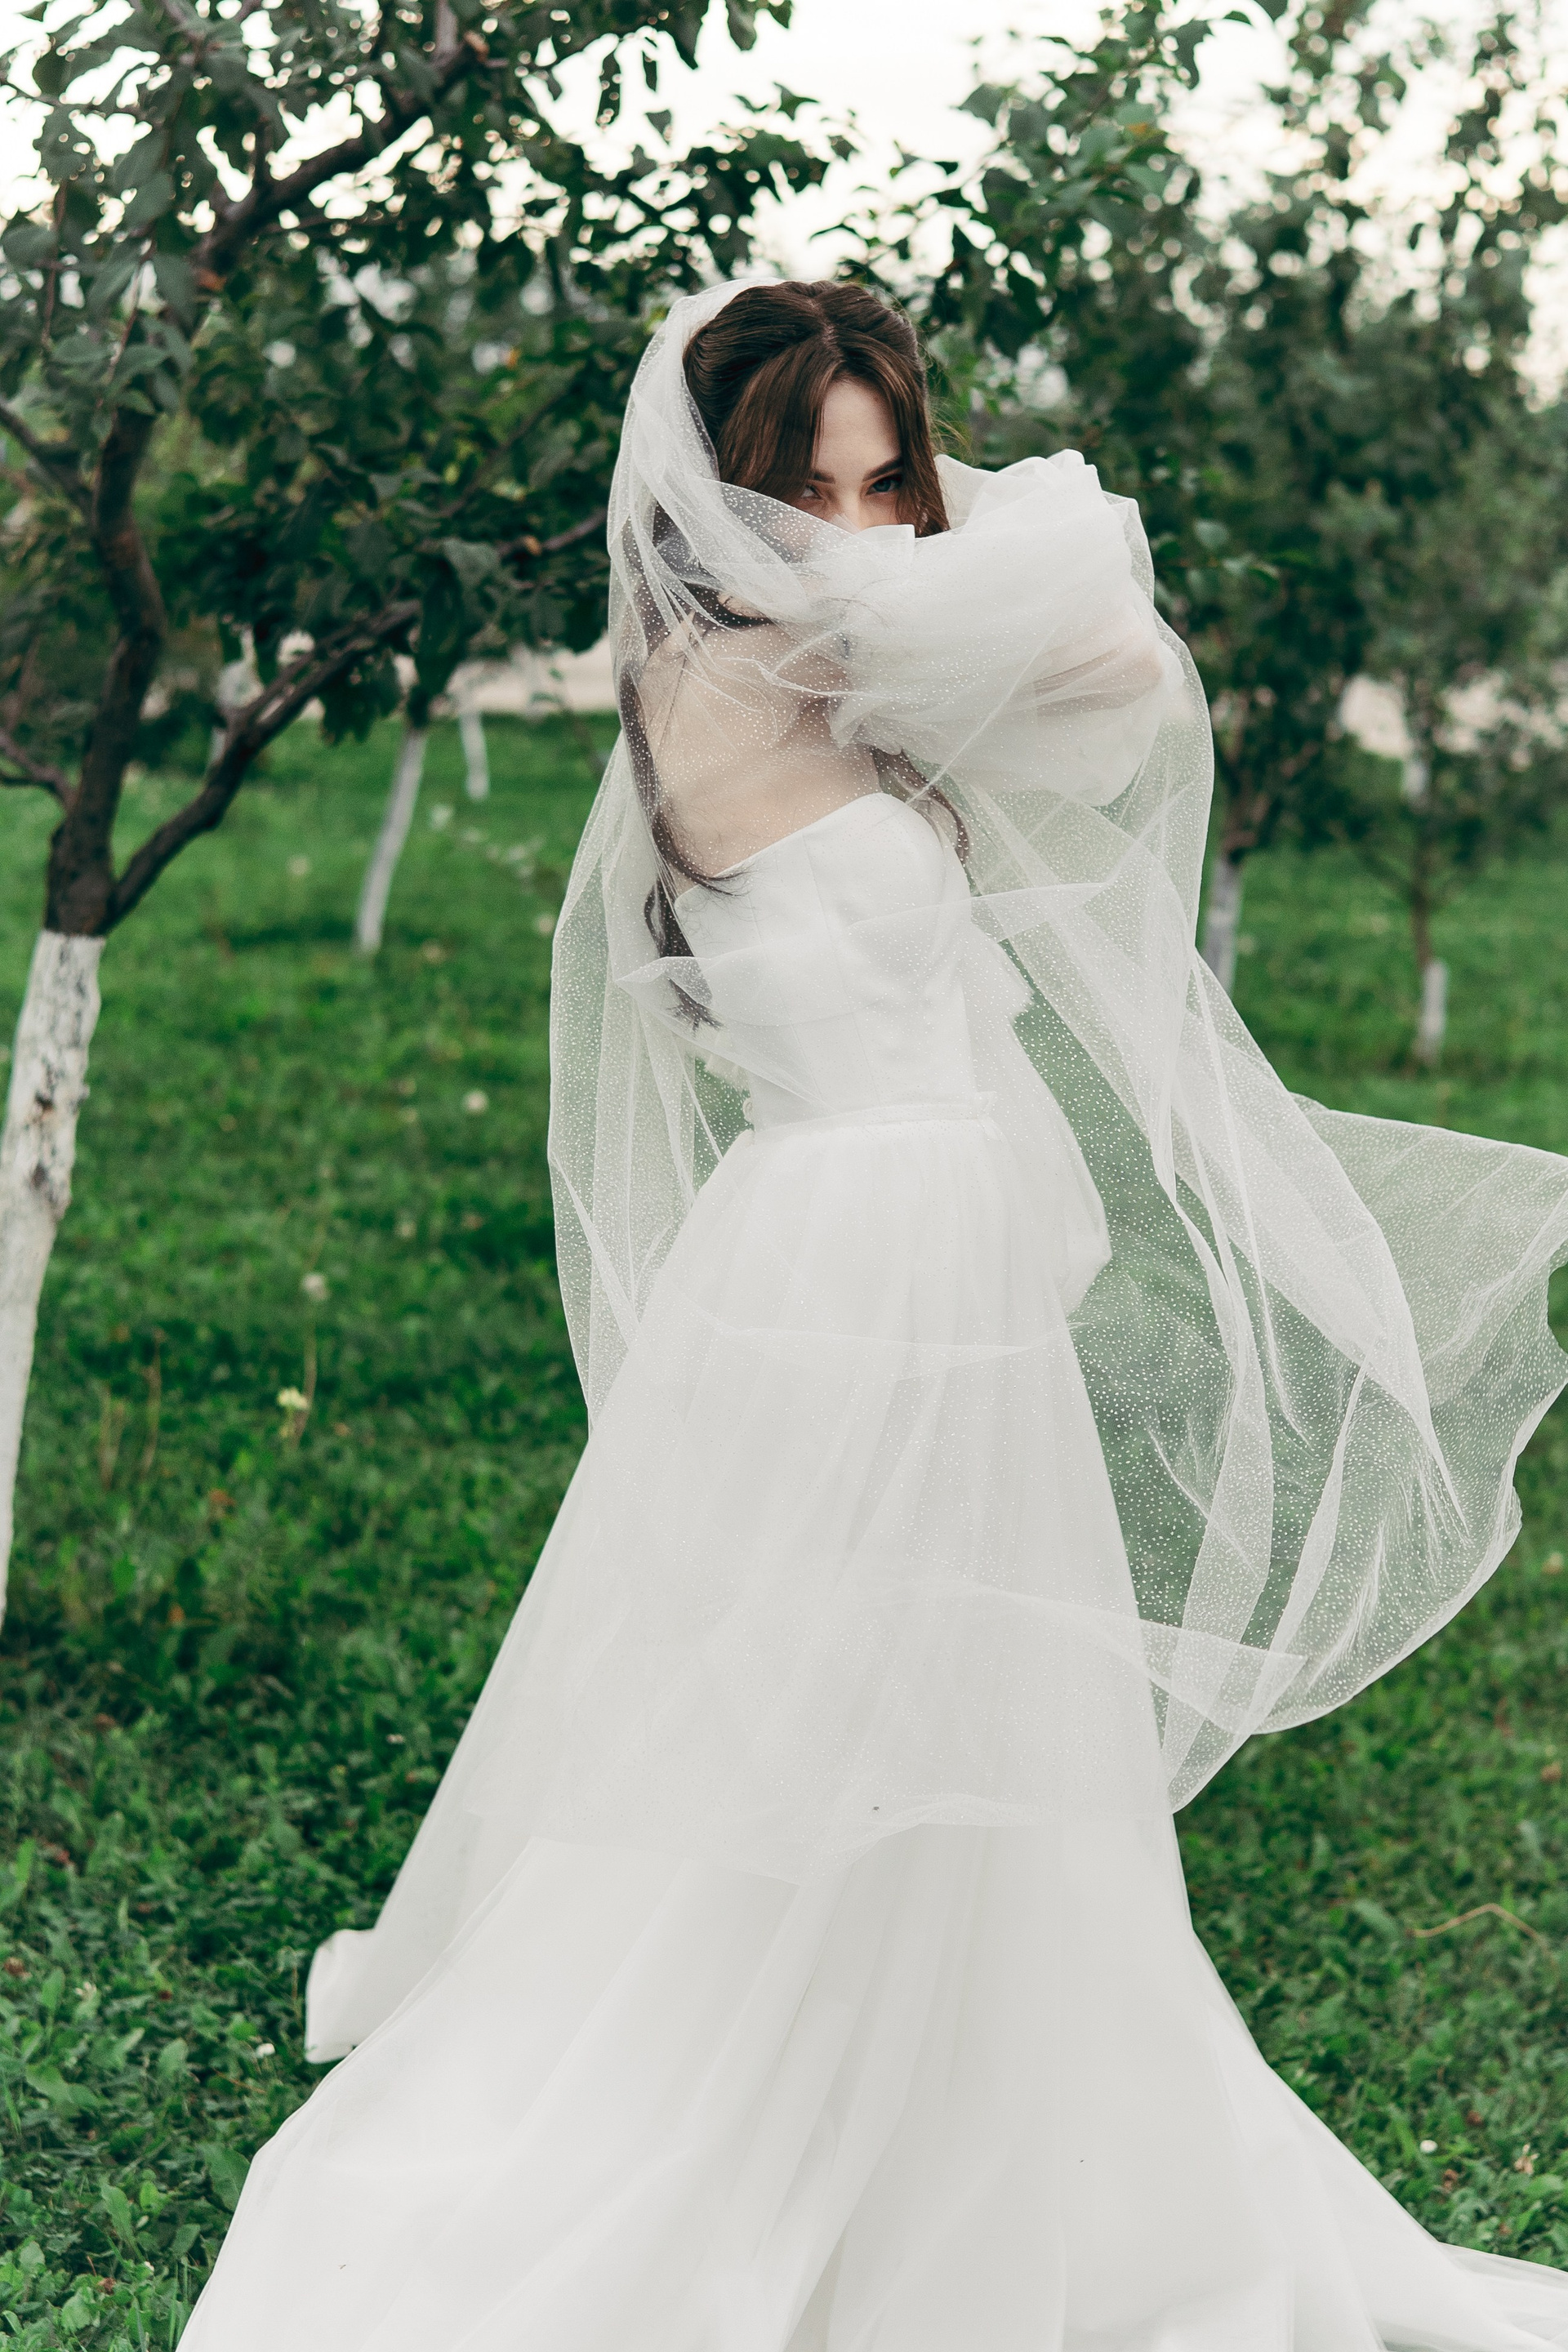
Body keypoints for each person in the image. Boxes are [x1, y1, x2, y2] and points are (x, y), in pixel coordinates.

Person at [183, 278, 1568, 2351]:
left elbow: (1126, 678)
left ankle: (992, 2102)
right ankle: (756, 2106)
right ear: (717, 504)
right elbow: (1081, 646)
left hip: (944, 1243)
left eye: (883, 481)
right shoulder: (727, 667)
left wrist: (934, 551)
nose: (847, 530)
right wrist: (926, 575)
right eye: (800, 490)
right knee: (806, 1699)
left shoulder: (865, 664)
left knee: (975, 1704)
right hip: (842, 1258)